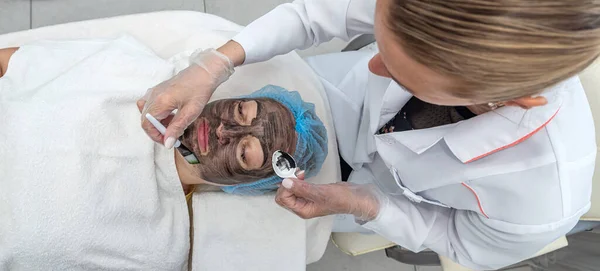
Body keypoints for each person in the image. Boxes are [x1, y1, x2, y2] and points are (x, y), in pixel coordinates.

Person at [140, 0, 600, 269]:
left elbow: (458, 240)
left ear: (508, 98)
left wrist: (365, 205)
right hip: (333, 92)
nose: (373, 64)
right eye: (384, 45)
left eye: (401, 72)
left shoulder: (542, 200)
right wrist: (216, 63)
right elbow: (315, 17)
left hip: (380, 192)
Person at [0, 36, 327, 269]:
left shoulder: (156, 246)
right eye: (241, 112)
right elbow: (11, 63)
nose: (223, 130)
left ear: (243, 184)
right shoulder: (134, 72)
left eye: (244, 152)